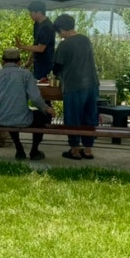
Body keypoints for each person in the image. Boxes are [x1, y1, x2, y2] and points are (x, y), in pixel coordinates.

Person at [0, 47, 54, 160]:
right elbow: (35, 98)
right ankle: (34, 151)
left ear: (3, 61)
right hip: (21, 119)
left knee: (11, 115)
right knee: (41, 116)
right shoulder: (25, 75)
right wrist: (46, 108)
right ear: (19, 62)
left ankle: (19, 149)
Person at [53, 13, 99, 160]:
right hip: (92, 83)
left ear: (61, 29)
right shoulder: (85, 40)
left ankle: (74, 150)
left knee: (73, 118)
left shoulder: (64, 44)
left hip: (73, 85)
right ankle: (88, 149)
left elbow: (56, 67)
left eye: (59, 32)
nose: (59, 35)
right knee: (89, 117)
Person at [16, 0, 55, 79]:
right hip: (37, 62)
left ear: (39, 12)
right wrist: (29, 60)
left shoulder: (47, 26)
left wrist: (21, 46)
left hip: (45, 64)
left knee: (42, 84)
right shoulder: (37, 24)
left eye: (31, 12)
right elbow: (35, 44)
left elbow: (40, 48)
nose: (30, 14)